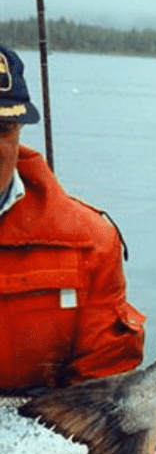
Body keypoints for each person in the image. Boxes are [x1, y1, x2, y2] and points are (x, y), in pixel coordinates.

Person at [0, 44, 145, 391]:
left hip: (46, 438)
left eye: (2, 130)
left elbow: (103, 388)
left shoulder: (90, 242)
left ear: (20, 130)